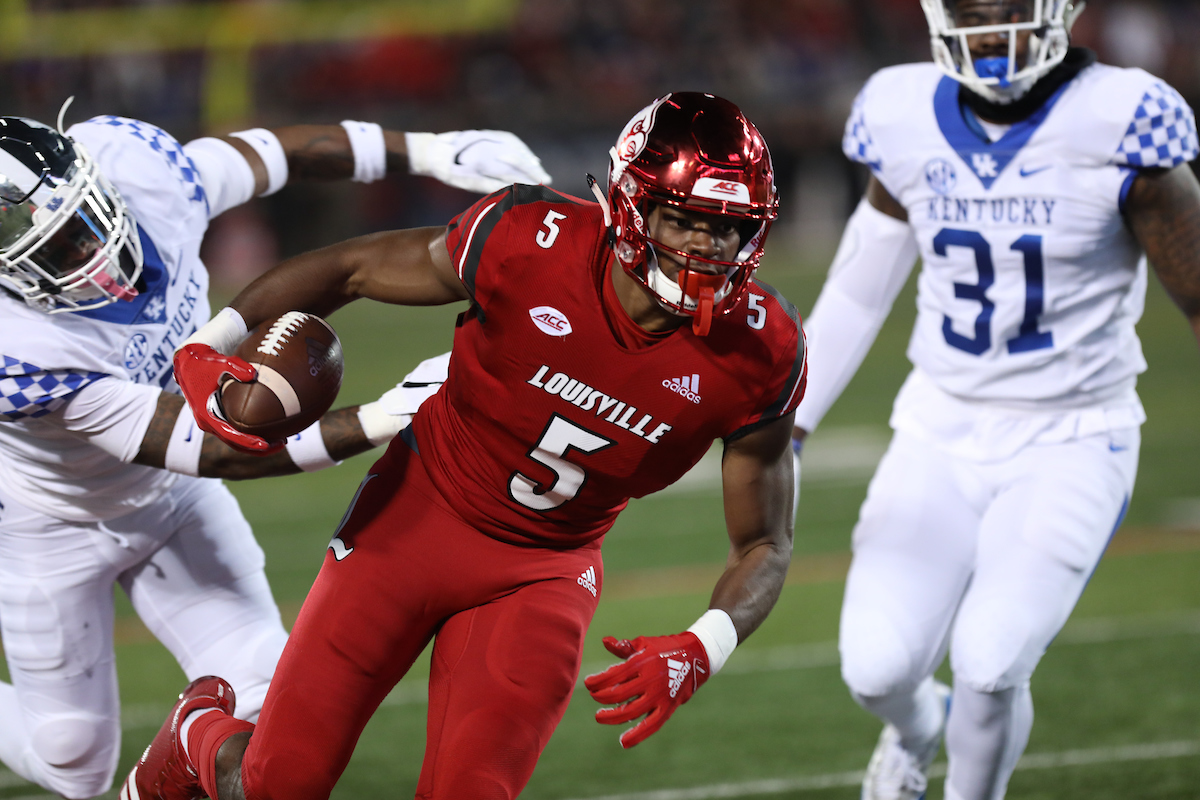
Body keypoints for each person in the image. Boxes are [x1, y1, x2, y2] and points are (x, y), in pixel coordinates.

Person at [122, 91, 806, 800]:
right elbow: (352, 267)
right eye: (687, 220)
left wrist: (705, 645)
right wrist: (211, 343)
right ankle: (200, 728)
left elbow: (765, 542)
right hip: (415, 520)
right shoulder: (530, 240)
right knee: (276, 787)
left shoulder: (763, 348)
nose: (708, 247)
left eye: (729, 228)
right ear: (634, 205)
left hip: (544, 571)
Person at [0, 106, 549, 799]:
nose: (88, 256)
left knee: (267, 698)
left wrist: (431, 149)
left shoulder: (142, 172)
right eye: (53, 253)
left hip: (171, 504)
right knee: (73, 763)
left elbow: (279, 153)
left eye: (81, 227)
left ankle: (176, 757)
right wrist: (382, 417)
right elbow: (209, 449)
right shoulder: (18, 345)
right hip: (53, 526)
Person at [792, 2, 1200, 799]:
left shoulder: (1122, 117)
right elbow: (856, 293)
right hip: (938, 426)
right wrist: (788, 424)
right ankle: (915, 730)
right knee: (875, 669)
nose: (988, 24)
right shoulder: (901, 110)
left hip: (1073, 434)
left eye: (1008, 6)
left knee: (990, 660)